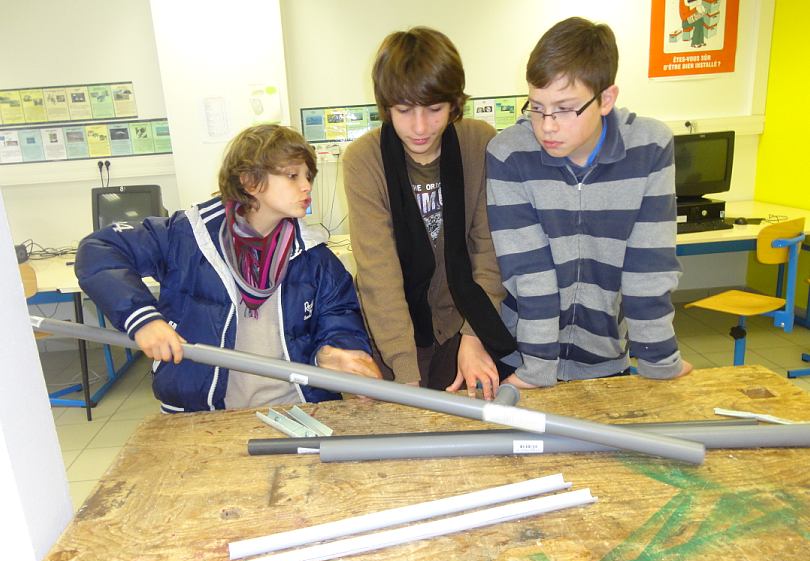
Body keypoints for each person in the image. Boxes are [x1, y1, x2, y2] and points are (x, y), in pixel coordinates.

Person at [76, 124, 380, 413]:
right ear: (250, 182)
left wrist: (335, 352)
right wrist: (143, 319)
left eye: (308, 176)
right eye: (292, 175)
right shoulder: (187, 237)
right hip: (203, 415)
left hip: (297, 408)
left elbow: (339, 316)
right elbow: (99, 249)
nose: (306, 186)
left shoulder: (315, 256)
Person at [486, 17, 693, 389]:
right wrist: (537, 369)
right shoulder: (509, 153)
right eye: (537, 107)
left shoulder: (649, 147)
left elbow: (649, 267)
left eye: (564, 109)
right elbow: (530, 273)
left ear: (606, 99)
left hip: (606, 357)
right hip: (521, 357)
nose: (547, 126)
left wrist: (657, 358)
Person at [343, 26, 515, 400]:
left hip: (464, 325)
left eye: (434, 109)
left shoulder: (479, 143)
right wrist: (405, 372)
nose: (420, 127)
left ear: (453, 103)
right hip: (393, 334)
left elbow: (488, 250)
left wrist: (474, 336)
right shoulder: (364, 160)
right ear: (386, 106)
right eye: (404, 111)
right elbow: (378, 271)